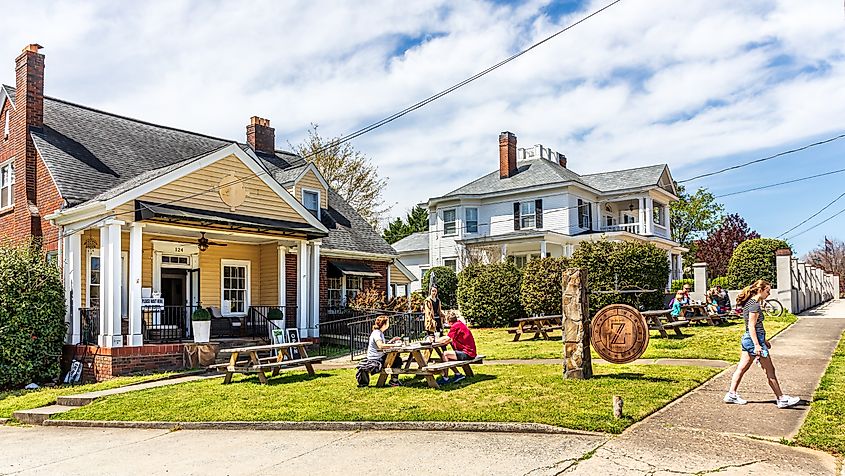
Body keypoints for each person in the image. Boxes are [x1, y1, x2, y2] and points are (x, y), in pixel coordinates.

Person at [724, 279, 800, 408]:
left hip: (750, 340)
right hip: (754, 341)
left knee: (742, 368)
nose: (769, 294)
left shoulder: (750, 303)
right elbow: (752, 326)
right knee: (770, 371)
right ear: (760, 290)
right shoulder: (754, 305)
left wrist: (764, 340)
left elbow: (755, 326)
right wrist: (758, 345)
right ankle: (781, 399)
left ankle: (731, 394)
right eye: (767, 291)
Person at [361, 316, 403, 387]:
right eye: (388, 322)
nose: (388, 324)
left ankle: (394, 380)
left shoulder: (379, 332)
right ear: (384, 324)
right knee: (397, 360)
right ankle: (394, 381)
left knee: (395, 358)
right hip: (376, 359)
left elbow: (381, 345)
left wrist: (391, 341)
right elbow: (380, 345)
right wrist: (395, 345)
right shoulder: (377, 333)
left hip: (378, 356)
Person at [435, 314, 477, 385]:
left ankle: (445, 379)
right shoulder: (460, 324)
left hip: (467, 353)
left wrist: (434, 341)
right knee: (448, 357)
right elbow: (450, 339)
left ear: (449, 321)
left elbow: (447, 338)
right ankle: (458, 375)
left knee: (445, 354)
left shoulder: (455, 326)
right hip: (470, 352)